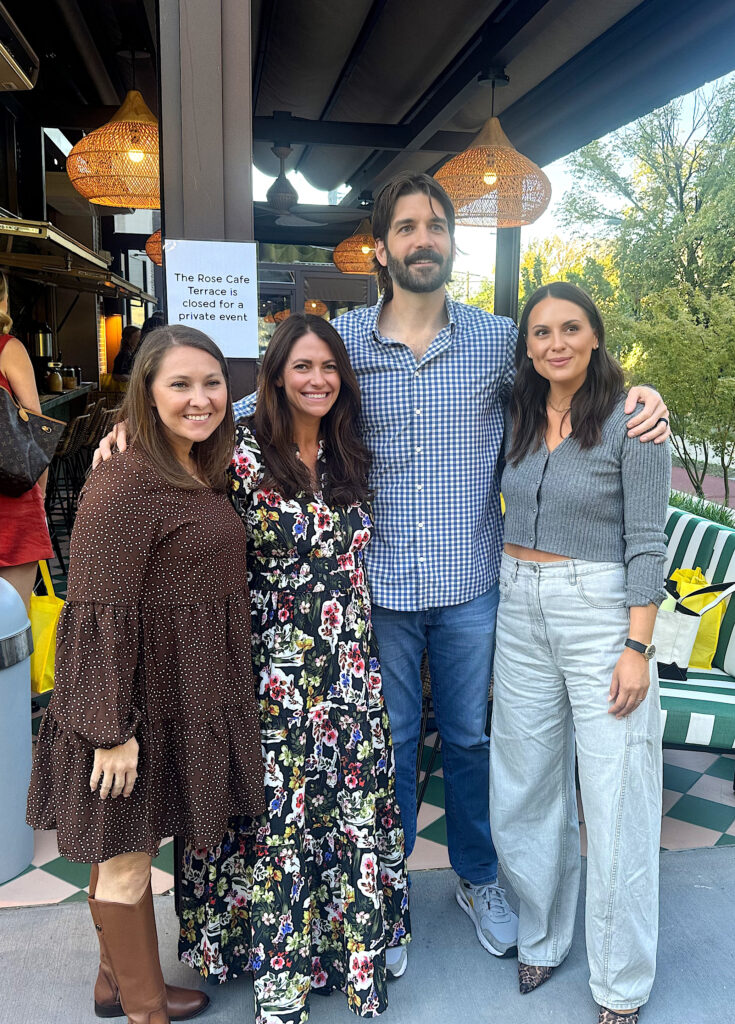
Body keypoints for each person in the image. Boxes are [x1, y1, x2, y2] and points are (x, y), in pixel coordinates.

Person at [97, 173, 669, 959]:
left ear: (449, 242)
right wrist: (144, 425)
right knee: (388, 744)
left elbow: (569, 371)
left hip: (473, 585)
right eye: (406, 227)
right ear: (383, 246)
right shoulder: (348, 343)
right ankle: (383, 892)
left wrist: (641, 392)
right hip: (378, 590)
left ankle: (478, 875)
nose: (422, 238)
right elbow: (260, 404)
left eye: (434, 225)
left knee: (471, 742)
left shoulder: (500, 338)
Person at [27, 325, 266, 1024]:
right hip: (131, 703)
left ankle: (115, 985)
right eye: (180, 385)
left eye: (211, 383)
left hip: (183, 691)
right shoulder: (125, 483)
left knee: (124, 851)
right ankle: (145, 1010)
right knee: (129, 860)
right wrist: (109, 732)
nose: (200, 398)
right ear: (148, 395)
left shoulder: (198, 463)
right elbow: (97, 613)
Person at [178, 314, 410, 1024]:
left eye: (329, 368)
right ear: (276, 374)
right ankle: (277, 968)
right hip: (267, 668)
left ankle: (347, 951)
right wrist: (121, 440)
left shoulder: (347, 452)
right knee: (281, 814)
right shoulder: (237, 452)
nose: (317, 380)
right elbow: (171, 493)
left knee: (345, 810)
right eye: (303, 367)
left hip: (346, 670)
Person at [489, 282, 670, 1024]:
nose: (554, 342)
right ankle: (540, 934)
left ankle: (620, 981)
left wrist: (636, 645)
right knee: (524, 781)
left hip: (599, 613)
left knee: (616, 793)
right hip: (516, 600)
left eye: (569, 329)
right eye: (539, 333)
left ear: (594, 336)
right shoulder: (517, 412)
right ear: (526, 347)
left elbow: (647, 541)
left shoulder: (632, 420)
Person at [0, 271, 54, 612]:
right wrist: (42, 494)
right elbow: (39, 428)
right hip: (12, 501)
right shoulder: (7, 348)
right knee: (14, 626)